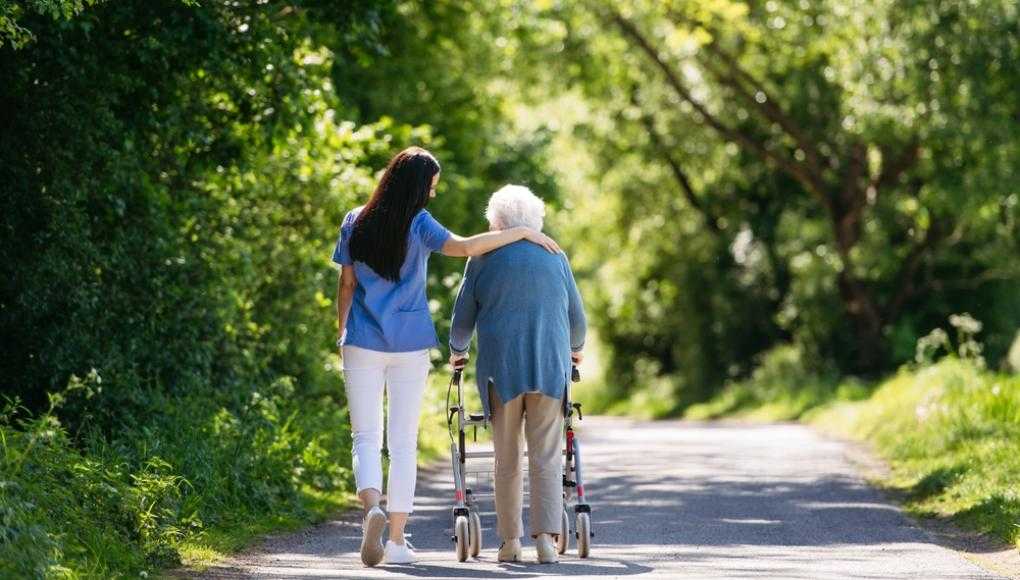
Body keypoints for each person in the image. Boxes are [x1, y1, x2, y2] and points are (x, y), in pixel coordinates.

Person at [332, 148, 561, 566]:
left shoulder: (355, 220)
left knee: (365, 437)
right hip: (410, 342)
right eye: (432, 188)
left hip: (361, 340)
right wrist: (523, 233)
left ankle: (372, 511)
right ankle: (397, 541)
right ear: (418, 187)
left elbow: (346, 285)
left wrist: (341, 331)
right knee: (402, 443)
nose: (433, 196)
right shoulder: (419, 224)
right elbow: (467, 246)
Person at [448, 184, 587, 564]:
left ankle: (510, 542)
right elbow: (577, 319)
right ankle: (545, 541)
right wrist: (576, 350)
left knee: (507, 459)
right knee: (546, 455)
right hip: (548, 366)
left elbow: (462, 321)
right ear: (534, 222)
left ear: (497, 223)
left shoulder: (480, 260)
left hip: (500, 373)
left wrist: (457, 353)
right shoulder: (556, 257)